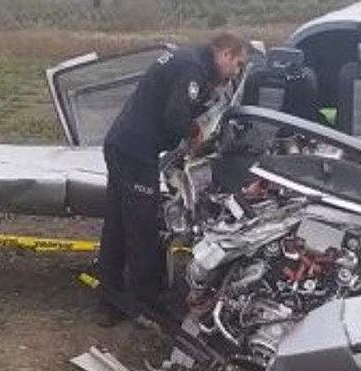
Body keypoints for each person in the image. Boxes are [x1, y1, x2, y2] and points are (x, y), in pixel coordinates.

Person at [97, 33, 249, 325]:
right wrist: (196, 135)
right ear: (226, 53)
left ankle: (110, 297)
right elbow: (175, 117)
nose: (236, 71)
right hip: (135, 152)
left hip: (123, 145)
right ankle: (146, 301)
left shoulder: (188, 59)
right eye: (237, 64)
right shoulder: (191, 69)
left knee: (117, 223)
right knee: (141, 226)